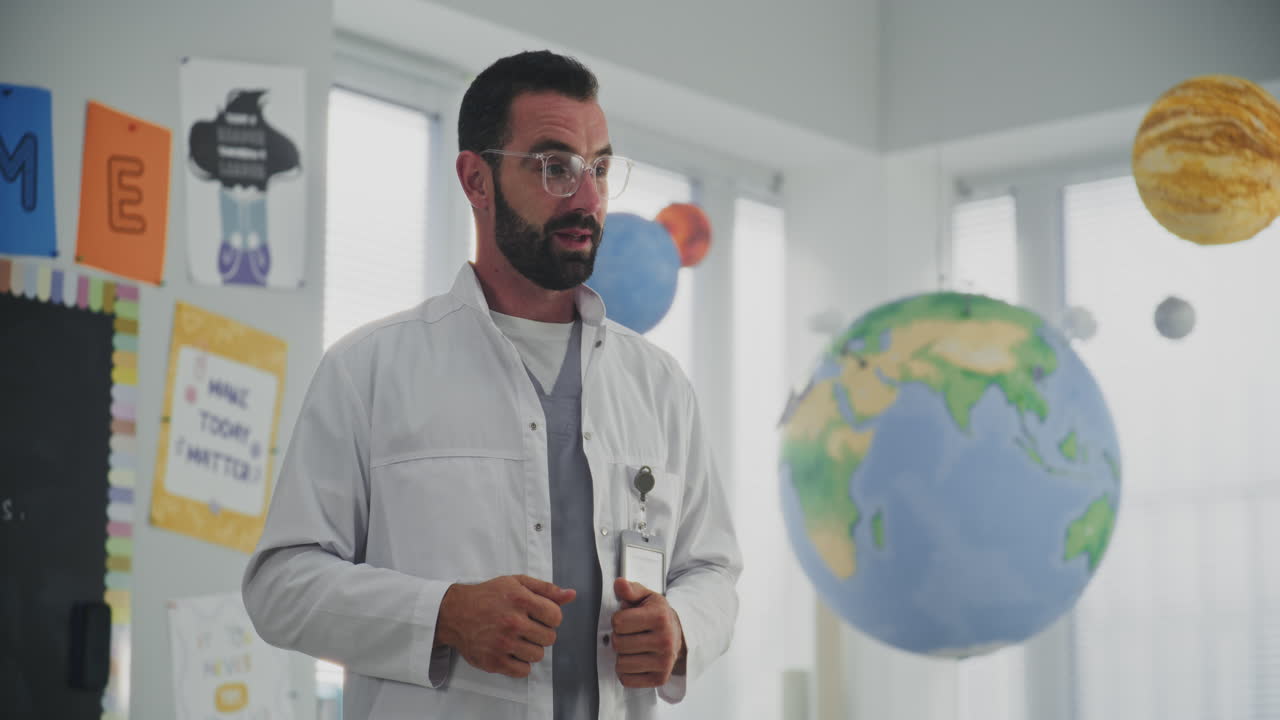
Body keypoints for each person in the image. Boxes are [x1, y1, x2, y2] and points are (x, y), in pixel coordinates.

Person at [242, 50, 741, 720]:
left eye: (598, 168)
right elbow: (280, 587)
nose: (590, 198)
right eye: (554, 166)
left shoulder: (657, 385)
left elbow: (711, 569)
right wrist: (442, 614)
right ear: (476, 179)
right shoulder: (368, 370)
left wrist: (683, 627)